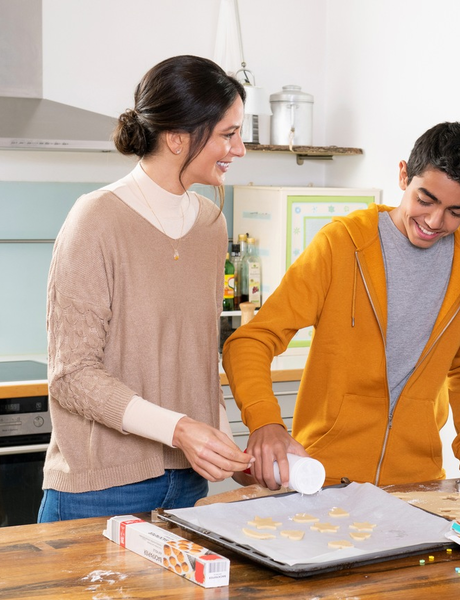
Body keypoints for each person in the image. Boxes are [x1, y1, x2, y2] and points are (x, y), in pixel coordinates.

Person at [223, 122, 460, 489]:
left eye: (456, 212)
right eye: (425, 200)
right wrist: (266, 422)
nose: (435, 222)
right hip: (323, 479)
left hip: (417, 486)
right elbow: (250, 342)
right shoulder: (341, 244)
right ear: (404, 175)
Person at [39, 55, 253, 522]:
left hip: (187, 484)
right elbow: (72, 375)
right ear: (178, 137)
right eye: (228, 134)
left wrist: (226, 450)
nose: (239, 150)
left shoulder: (211, 225)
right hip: (100, 489)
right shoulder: (95, 219)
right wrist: (180, 431)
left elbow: (196, 356)